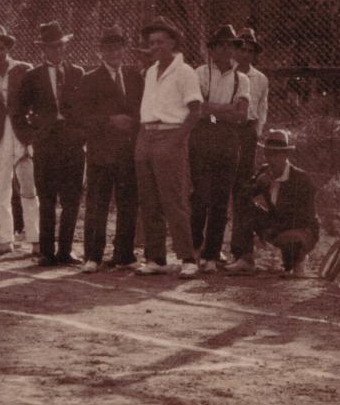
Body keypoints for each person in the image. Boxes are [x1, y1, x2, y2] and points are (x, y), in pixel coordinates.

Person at [133, 17, 202, 278]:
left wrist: (176, 140)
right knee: (149, 202)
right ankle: (155, 258)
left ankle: (187, 259)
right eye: (151, 43)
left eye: (161, 41)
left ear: (173, 42)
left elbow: (195, 111)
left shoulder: (185, 72)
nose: (155, 47)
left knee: (173, 200)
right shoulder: (151, 72)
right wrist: (142, 139)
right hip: (146, 137)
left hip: (170, 137)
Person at [17, 21, 87, 266]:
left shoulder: (77, 73)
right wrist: (30, 137)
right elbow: (18, 112)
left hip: (72, 144)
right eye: (51, 47)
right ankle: (46, 252)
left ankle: (66, 251)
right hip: (46, 143)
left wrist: (81, 134)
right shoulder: (32, 76)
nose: (56, 51)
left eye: (59, 46)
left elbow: (86, 110)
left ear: (64, 47)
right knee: (46, 200)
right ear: (42, 49)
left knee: (71, 200)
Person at [81, 26, 144, 272]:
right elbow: (83, 115)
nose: (113, 52)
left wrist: (133, 122)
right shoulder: (90, 79)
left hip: (128, 151)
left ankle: (124, 254)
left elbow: (141, 108)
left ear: (124, 49)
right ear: (100, 52)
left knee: (128, 203)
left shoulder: (134, 77)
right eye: (108, 48)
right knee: (98, 203)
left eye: (117, 47)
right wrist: (110, 120)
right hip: (101, 153)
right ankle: (93, 256)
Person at [189, 25, 250, 272]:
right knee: (201, 196)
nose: (225, 50)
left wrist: (215, 111)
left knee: (220, 200)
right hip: (203, 137)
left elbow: (242, 116)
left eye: (230, 45)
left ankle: (211, 255)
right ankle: (193, 249)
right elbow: (198, 110)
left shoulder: (241, 79)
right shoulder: (200, 73)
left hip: (228, 140)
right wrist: (225, 110)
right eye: (220, 45)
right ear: (212, 49)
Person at [0, 25, 39, 257]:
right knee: (0, 188)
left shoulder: (24, 70)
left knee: (29, 187)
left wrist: (33, 132)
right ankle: (5, 239)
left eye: (2, 49)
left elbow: (36, 104)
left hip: (23, 136)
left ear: (8, 49)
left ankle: (35, 239)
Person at [233, 129, 319, 276]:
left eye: (276, 154)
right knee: (245, 207)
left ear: (286, 155)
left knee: (290, 240)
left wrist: (275, 229)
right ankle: (245, 258)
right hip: (277, 224)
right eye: (268, 153)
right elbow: (241, 197)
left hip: (302, 228)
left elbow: (305, 217)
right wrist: (257, 186)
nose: (271, 158)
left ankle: (298, 260)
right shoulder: (265, 171)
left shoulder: (301, 179)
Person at [226, 28, 271, 271]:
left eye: (250, 50)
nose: (245, 54)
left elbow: (262, 108)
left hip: (247, 134)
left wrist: (256, 131)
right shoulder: (225, 74)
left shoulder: (260, 79)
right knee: (219, 188)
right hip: (225, 132)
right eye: (241, 48)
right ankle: (208, 251)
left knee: (243, 191)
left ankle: (243, 254)